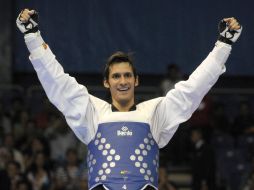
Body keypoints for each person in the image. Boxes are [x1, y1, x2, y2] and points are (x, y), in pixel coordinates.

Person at [16, 8, 242, 190]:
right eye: (116, 76)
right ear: (107, 82)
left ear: (136, 81)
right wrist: (32, 37)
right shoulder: (93, 112)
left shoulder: (154, 112)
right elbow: (56, 81)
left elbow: (194, 88)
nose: (122, 81)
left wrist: (223, 45)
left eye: (127, 75)